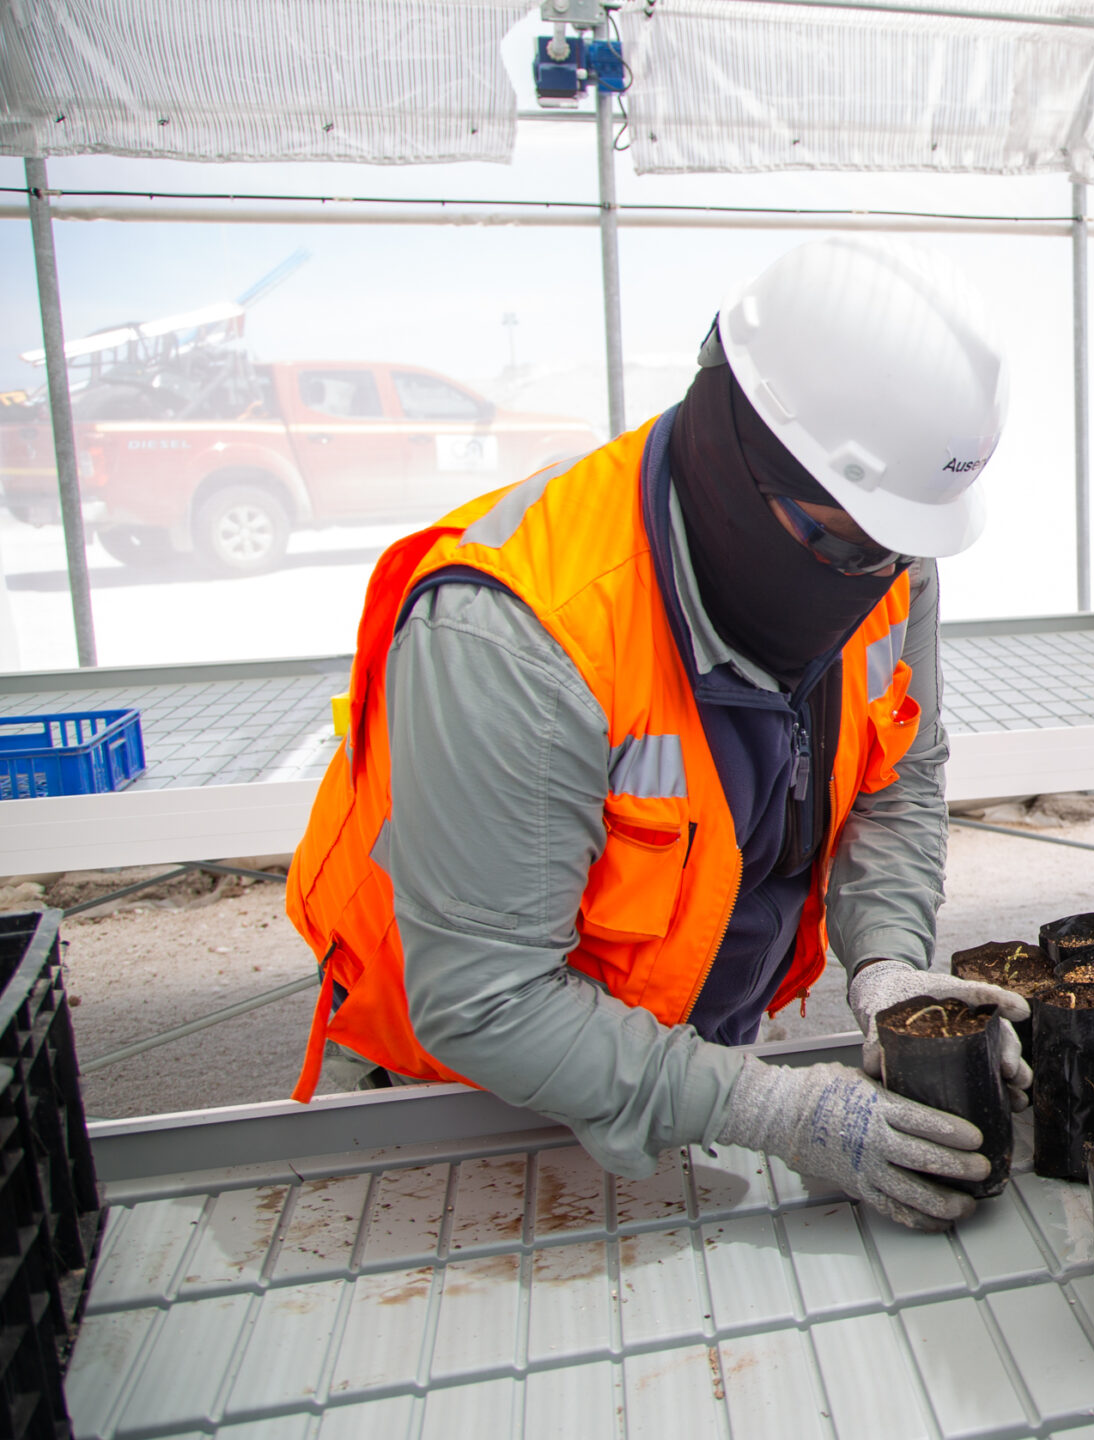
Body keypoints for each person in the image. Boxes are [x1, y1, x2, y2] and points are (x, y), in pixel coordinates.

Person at [286, 238, 1029, 1231]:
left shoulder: (882, 559)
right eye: (841, 540)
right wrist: (764, 1105)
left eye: (895, 548)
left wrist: (886, 966)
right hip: (459, 1117)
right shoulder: (522, 633)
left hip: (682, 1073)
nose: (875, 577)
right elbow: (489, 1000)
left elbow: (899, 773)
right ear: (736, 453)